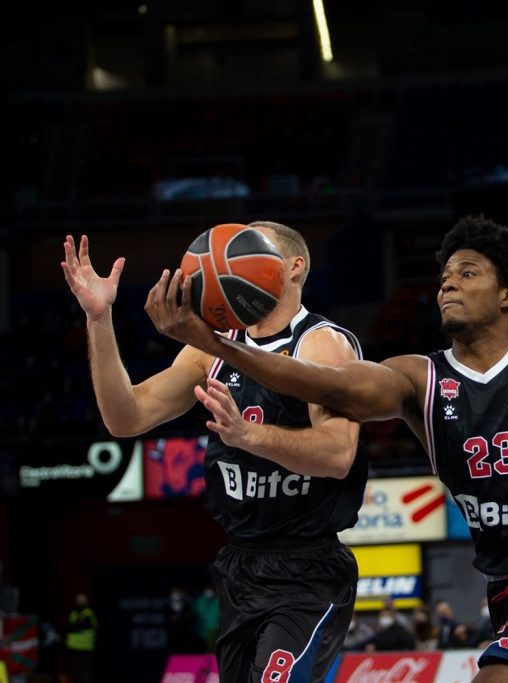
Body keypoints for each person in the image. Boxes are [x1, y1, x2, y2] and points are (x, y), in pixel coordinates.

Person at [144, 214, 508, 683]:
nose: (448, 282)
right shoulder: (420, 379)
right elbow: (333, 386)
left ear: (507, 294)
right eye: (445, 274)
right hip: (504, 583)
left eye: (468, 273)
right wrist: (217, 343)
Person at [60, 222, 367, 683]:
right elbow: (126, 418)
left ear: (294, 267)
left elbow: (338, 454)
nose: (237, 250)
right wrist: (99, 319)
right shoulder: (211, 352)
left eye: (253, 245)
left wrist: (249, 436)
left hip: (308, 566)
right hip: (239, 566)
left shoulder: (322, 343)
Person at [64, 593, 97, 683]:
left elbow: (83, 625)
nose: (80, 602)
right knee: (76, 673)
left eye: (82, 600)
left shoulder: (88, 613)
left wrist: (74, 627)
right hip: (73, 648)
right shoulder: (74, 613)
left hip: (84, 649)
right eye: (78, 600)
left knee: (84, 673)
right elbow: (68, 627)